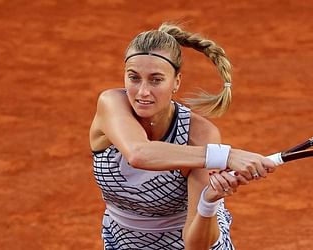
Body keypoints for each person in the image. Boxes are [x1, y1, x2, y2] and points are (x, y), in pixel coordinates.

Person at [89, 22, 277, 250]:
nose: (143, 91)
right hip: (121, 241)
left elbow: (196, 246)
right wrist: (225, 155)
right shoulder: (111, 103)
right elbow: (139, 153)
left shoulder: (199, 135)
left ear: (176, 81)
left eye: (156, 80)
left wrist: (209, 203)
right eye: (134, 77)